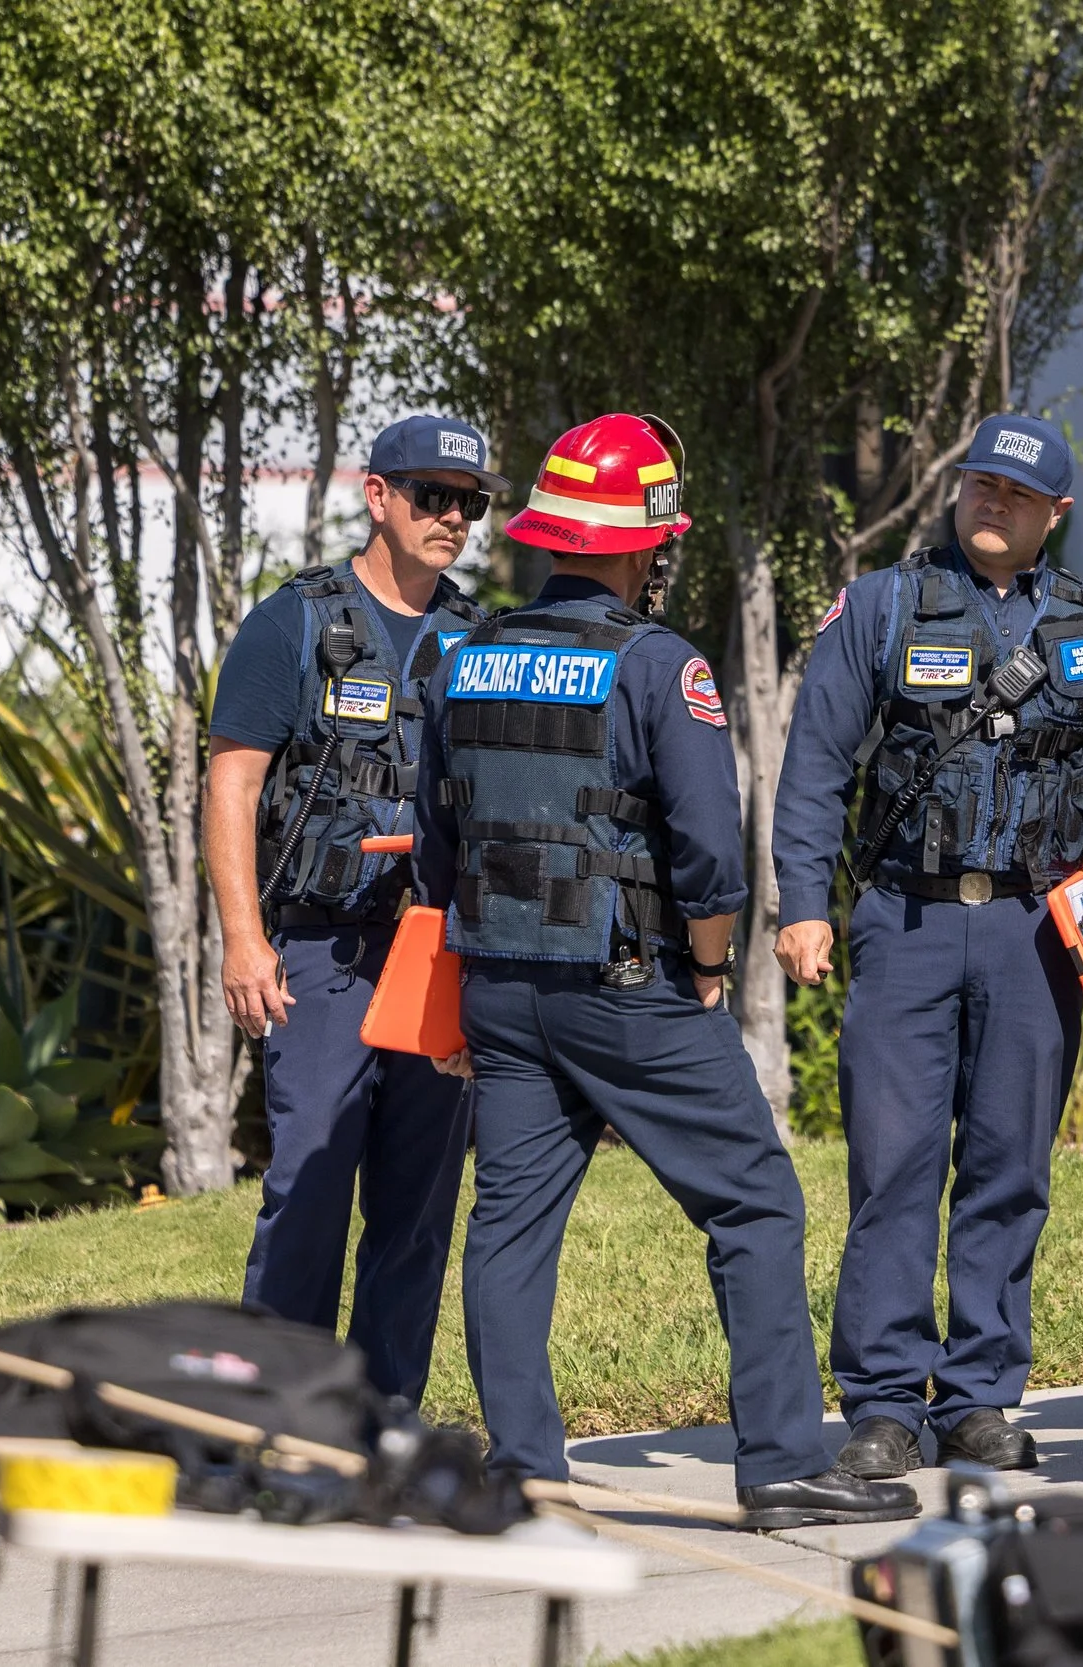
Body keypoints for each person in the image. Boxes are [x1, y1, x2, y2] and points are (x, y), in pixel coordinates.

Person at [413, 413, 915, 1527]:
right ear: (645, 543)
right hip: (627, 984)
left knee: (508, 1219)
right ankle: (782, 1462)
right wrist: (706, 967)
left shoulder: (464, 655)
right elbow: (707, 850)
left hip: (498, 980)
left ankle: (524, 1462)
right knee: (753, 1201)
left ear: (550, 537)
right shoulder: (661, 665)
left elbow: (437, 839)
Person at [773, 415, 1083, 1479]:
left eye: (1016, 492)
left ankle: (977, 1398)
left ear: (1055, 512)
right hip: (906, 924)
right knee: (894, 1165)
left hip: (1036, 938)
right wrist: (803, 901)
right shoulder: (878, 607)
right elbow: (816, 761)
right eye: (977, 484)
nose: (990, 502)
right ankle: (880, 1402)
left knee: (1009, 1167)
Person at [210, 414, 499, 1404]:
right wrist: (243, 939)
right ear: (378, 496)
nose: (452, 517)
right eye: (432, 496)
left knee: (418, 1201)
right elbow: (232, 783)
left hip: (435, 950)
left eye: (470, 502)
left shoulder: (481, 637)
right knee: (309, 1190)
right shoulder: (290, 621)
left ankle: (382, 1422)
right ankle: (274, 1421)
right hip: (321, 950)